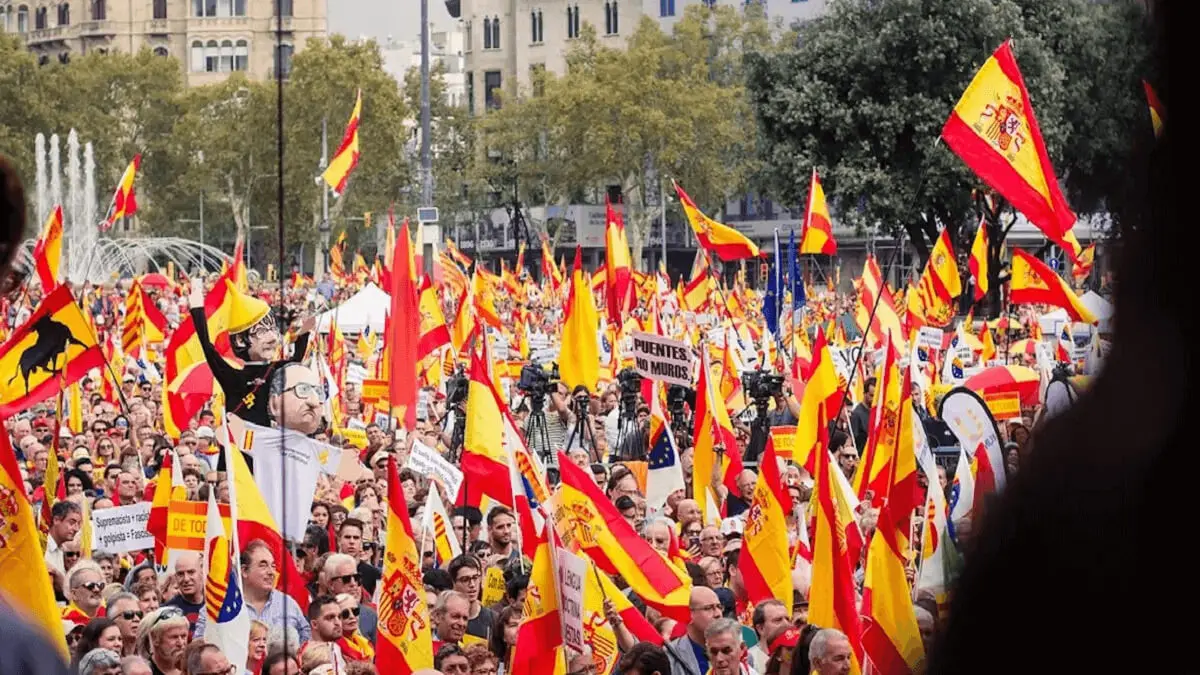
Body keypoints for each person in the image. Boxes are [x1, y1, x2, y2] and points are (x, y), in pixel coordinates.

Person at [188, 277, 312, 431]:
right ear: (240, 340)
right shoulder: (231, 377)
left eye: (272, 329)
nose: (273, 338)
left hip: (265, 447)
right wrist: (197, 310)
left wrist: (304, 333)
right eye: (262, 332)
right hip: (237, 449)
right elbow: (208, 348)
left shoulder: (276, 369)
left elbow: (296, 361)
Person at [195, 539, 311, 643]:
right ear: (244, 571)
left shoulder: (288, 605)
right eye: (263, 565)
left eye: (273, 566)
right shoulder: (218, 606)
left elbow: (307, 643)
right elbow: (199, 649)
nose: (271, 572)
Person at [320, 553, 377, 642]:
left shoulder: (370, 615)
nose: (353, 584)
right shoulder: (319, 615)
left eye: (356, 578)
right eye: (346, 579)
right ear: (331, 584)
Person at [666, 587, 724, 675]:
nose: (718, 614)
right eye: (708, 608)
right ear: (689, 613)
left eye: (719, 607)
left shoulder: (736, 651)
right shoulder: (671, 656)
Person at [448, 555, 495, 642]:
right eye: (465, 579)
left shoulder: (493, 619)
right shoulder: (446, 620)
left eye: (475, 578)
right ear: (453, 583)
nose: (472, 584)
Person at [161, 552, 204, 635]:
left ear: (202, 572)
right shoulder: (167, 612)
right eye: (180, 574)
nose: (186, 579)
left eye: (191, 572)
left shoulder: (215, 607)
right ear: (176, 577)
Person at [747, 600, 789, 675]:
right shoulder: (750, 661)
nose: (786, 624)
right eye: (778, 620)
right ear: (761, 629)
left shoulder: (795, 656)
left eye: (788, 619)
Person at [144, 607, 189, 675]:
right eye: (174, 637)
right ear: (155, 638)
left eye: (183, 636)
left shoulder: (194, 669)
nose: (181, 643)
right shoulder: (144, 671)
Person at [44, 500, 83, 575]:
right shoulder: (42, 547)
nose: (76, 529)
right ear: (56, 520)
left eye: (78, 524)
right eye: (72, 523)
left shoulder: (62, 550)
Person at [64, 561, 107, 626]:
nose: (97, 589)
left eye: (100, 585)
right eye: (90, 585)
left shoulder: (110, 615)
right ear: (74, 594)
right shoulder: (64, 622)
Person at [334, 593, 374, 663]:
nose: (352, 616)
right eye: (345, 614)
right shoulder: (335, 647)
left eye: (355, 611)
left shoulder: (363, 641)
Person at [106, 593, 143, 657]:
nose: (137, 619)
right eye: (128, 614)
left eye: (139, 614)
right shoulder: (105, 657)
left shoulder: (148, 652)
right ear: (112, 620)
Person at [849, 377, 875, 452]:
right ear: (864, 394)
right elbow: (853, 441)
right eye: (871, 395)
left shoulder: (876, 412)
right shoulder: (856, 414)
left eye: (876, 396)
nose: (873, 399)